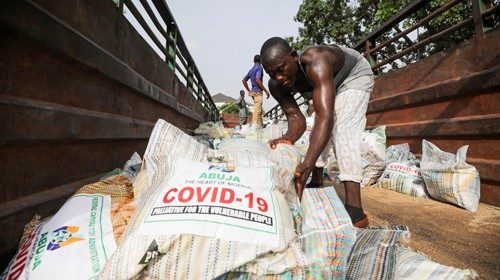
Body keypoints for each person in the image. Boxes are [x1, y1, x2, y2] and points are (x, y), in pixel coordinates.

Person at [260, 37, 374, 228]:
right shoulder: (275, 85)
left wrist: (307, 163)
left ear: (294, 57)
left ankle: (356, 209)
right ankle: (317, 179)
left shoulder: (315, 60)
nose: (278, 77)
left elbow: (325, 117)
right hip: (330, 85)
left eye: (281, 69)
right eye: (272, 74)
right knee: (317, 131)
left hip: (353, 75)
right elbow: (297, 120)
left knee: (342, 129)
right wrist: (287, 139)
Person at [242, 54, 270, 128]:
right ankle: (254, 127)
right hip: (258, 92)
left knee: (259, 109)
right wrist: (266, 90)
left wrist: (249, 90)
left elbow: (244, 80)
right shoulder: (259, 68)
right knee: (257, 110)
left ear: (254, 61)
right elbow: (258, 80)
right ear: (261, 61)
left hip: (253, 92)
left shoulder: (251, 70)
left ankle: (261, 125)